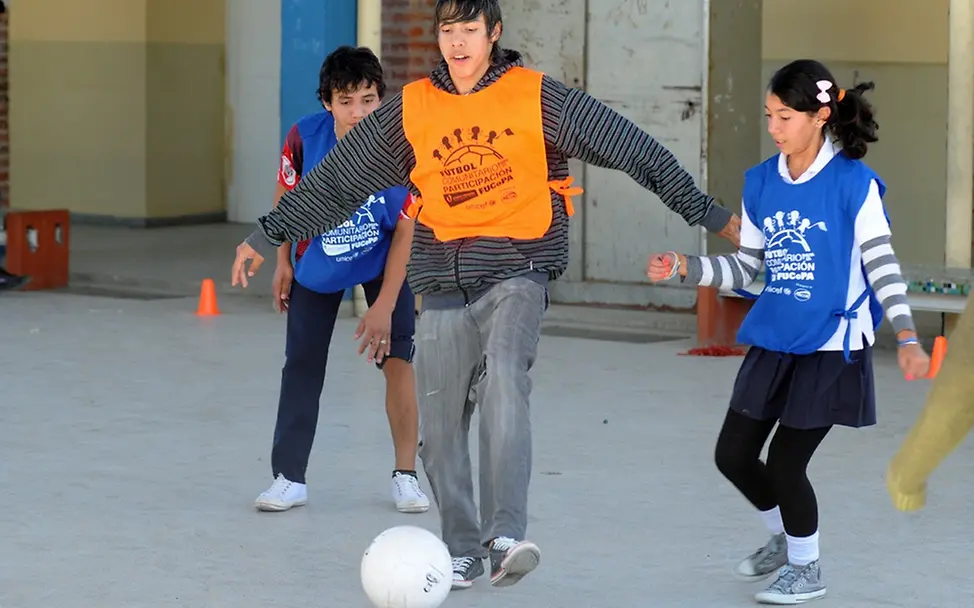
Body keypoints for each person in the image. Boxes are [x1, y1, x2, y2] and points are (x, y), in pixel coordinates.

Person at [232, 0, 740, 590]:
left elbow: (632, 147)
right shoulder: (412, 108)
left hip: (518, 270)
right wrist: (264, 234)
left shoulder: (538, 98)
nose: (458, 42)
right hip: (442, 281)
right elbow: (340, 181)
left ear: (493, 34)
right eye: (448, 30)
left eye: (470, 30)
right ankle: (463, 549)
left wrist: (710, 214)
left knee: (503, 376)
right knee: (443, 426)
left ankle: (504, 534)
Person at [648, 59, 931, 605]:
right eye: (769, 115)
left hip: (831, 348)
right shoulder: (761, 182)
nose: (774, 127)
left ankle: (808, 568)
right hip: (777, 339)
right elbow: (745, 268)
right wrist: (688, 267)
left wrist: (909, 335)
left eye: (785, 116)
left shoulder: (854, 184)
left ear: (820, 116)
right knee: (732, 455)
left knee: (786, 461)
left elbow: (882, 265)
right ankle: (786, 540)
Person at [253, 45, 430, 515]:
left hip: (383, 261)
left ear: (380, 99)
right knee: (302, 364)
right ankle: (289, 477)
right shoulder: (305, 138)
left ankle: (406, 475)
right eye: (345, 100)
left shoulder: (402, 146)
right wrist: (283, 262)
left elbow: (407, 229)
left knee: (398, 361)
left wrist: (385, 305)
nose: (357, 112)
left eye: (368, 99)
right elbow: (285, 197)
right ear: (327, 102)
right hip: (319, 266)